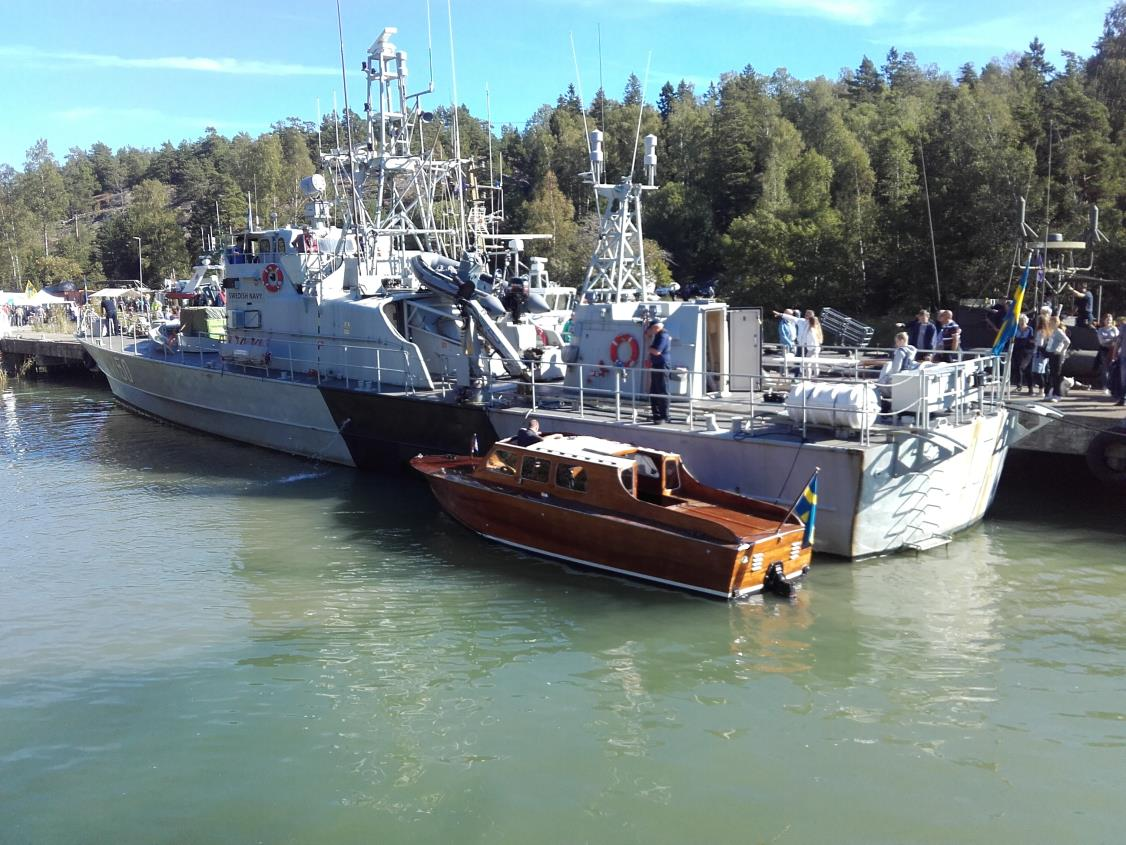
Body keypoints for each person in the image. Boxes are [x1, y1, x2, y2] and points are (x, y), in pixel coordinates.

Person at [646, 319, 671, 423]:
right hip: (656, 365)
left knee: (662, 390)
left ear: (655, 327)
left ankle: (664, 416)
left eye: (651, 328)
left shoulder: (662, 336)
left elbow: (657, 351)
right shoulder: (658, 335)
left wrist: (649, 349)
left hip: (662, 365)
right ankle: (656, 415)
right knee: (654, 391)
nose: (651, 331)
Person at [1042, 315, 1071, 402]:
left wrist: (1061, 351)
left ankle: (1057, 395)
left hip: (1057, 355)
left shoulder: (1059, 331)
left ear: (1056, 323)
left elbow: (1067, 341)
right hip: (1051, 354)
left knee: (1056, 375)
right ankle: (1050, 393)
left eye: (1052, 322)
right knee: (1051, 375)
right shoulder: (1053, 331)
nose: (1050, 323)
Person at [1094, 313, 1119, 393]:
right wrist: (1112, 340)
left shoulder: (1114, 329)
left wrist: (1111, 341)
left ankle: (1113, 386)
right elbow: (1102, 341)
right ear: (1104, 320)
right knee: (1105, 369)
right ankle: (1105, 386)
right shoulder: (1101, 330)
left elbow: (1118, 339)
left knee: (1113, 368)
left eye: (1110, 320)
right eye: (1107, 320)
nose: (1109, 321)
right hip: (1104, 351)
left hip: (1114, 350)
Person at [1011, 314, 1035, 393]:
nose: (1022, 323)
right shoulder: (1015, 329)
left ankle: (1030, 387)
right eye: (1020, 321)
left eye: (1023, 321)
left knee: (1026, 369)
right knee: (1017, 368)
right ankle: (1019, 385)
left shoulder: (1029, 329)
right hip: (1017, 351)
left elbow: (1031, 340)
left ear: (1026, 321)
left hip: (1027, 351)